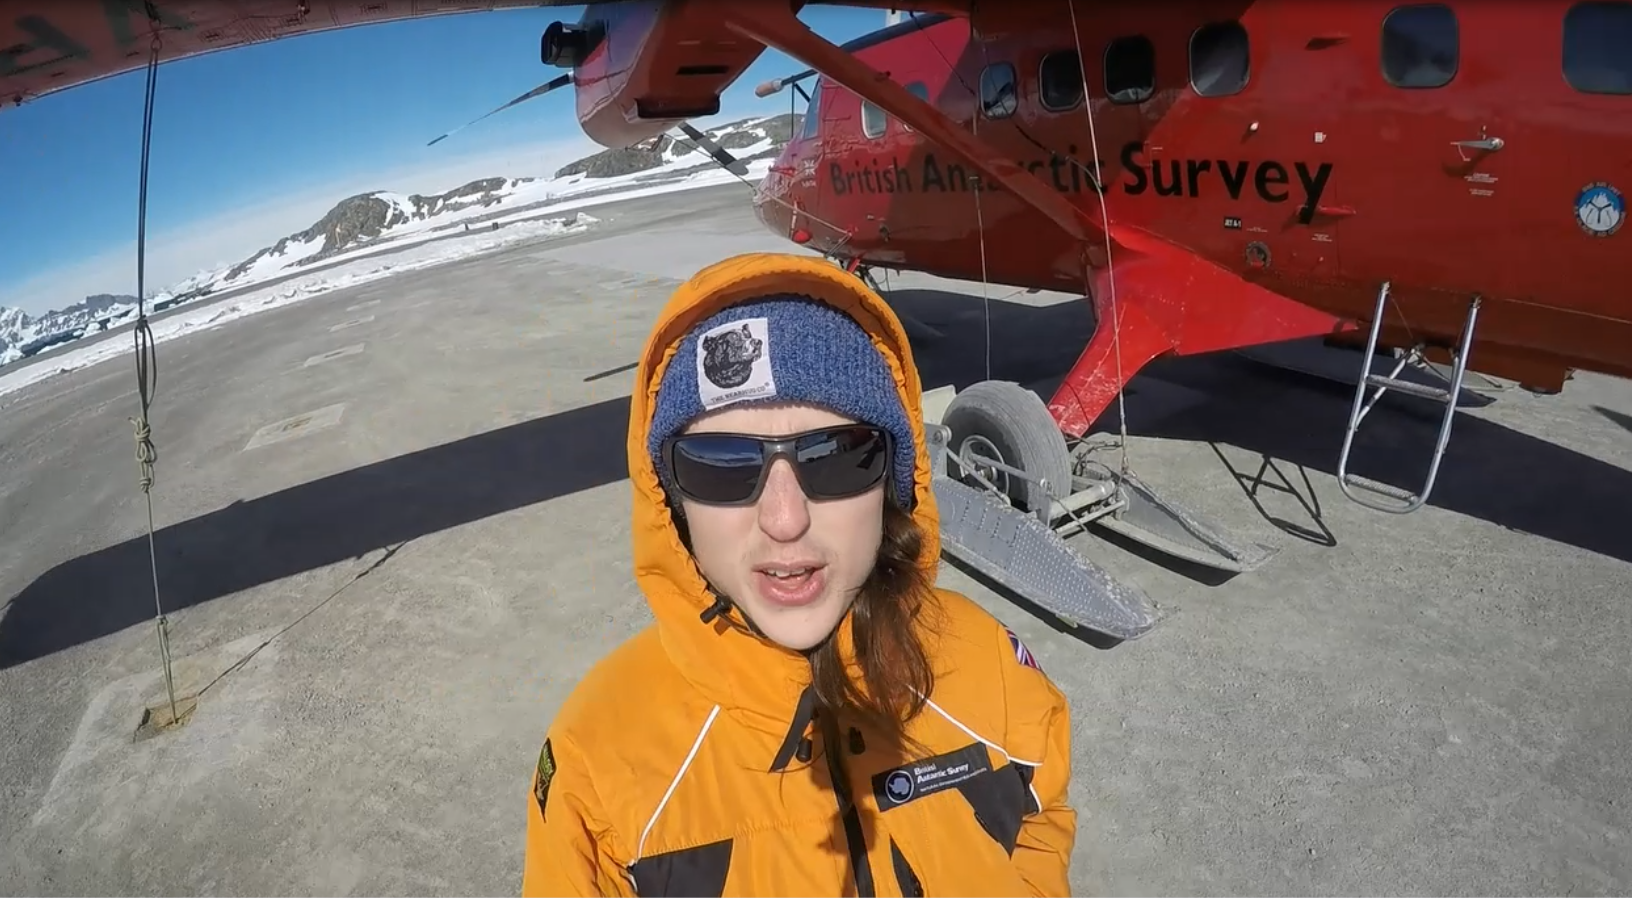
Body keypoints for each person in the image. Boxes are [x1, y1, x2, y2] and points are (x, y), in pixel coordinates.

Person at [521, 252, 1076, 897]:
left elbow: (1043, 820)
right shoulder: (598, 753)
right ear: (672, 504)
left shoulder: (992, 665)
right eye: (722, 466)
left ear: (892, 479)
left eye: (838, 456)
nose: (784, 520)